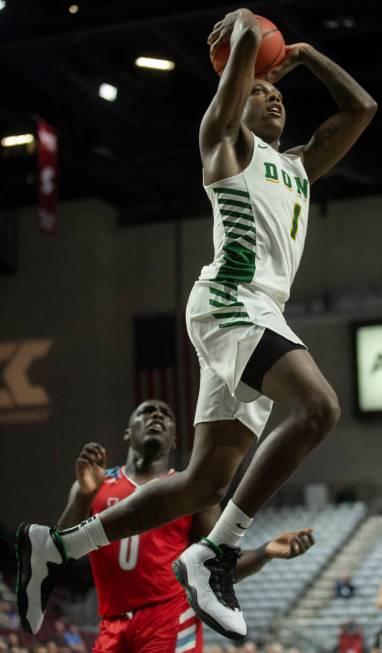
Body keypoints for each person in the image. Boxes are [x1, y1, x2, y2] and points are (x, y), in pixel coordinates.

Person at [16, 7, 377, 642]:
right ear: (236, 106)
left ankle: (58, 546)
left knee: (203, 482)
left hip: (257, 313)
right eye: (259, 93)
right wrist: (244, 31)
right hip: (231, 300)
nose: (273, 100)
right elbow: (237, 68)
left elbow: (361, 110)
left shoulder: (296, 168)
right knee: (319, 409)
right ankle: (217, 554)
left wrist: (308, 54)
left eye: (278, 95)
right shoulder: (225, 143)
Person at [35, 399, 314, 652]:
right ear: (128, 433)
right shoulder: (94, 485)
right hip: (111, 624)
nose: (157, 415)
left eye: (166, 415)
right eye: (146, 411)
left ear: (174, 441)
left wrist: (265, 551)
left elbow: (217, 567)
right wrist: (83, 496)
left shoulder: (193, 492)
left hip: (168, 617)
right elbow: (56, 556)